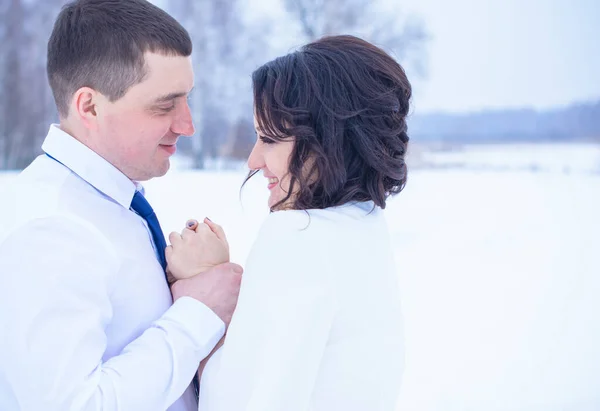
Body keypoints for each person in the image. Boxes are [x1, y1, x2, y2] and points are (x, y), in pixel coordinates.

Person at [0, 1, 242, 410]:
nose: (188, 125)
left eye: (186, 100)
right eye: (165, 105)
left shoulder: (111, 201)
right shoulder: (52, 228)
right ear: (89, 107)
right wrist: (199, 312)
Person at [167, 35, 409, 410]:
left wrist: (205, 282)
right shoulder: (363, 225)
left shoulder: (298, 236)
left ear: (325, 141)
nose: (253, 160)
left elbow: (239, 401)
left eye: (269, 139)